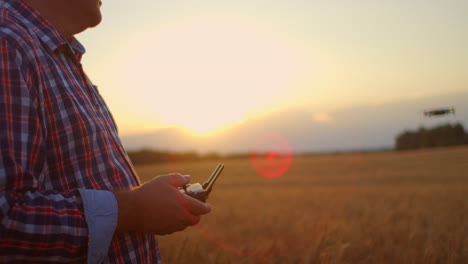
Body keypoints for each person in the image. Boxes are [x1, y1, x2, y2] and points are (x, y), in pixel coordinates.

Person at [0, 0, 212, 263]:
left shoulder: (58, 56)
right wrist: (133, 209)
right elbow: (6, 214)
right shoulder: (7, 45)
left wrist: (141, 203)